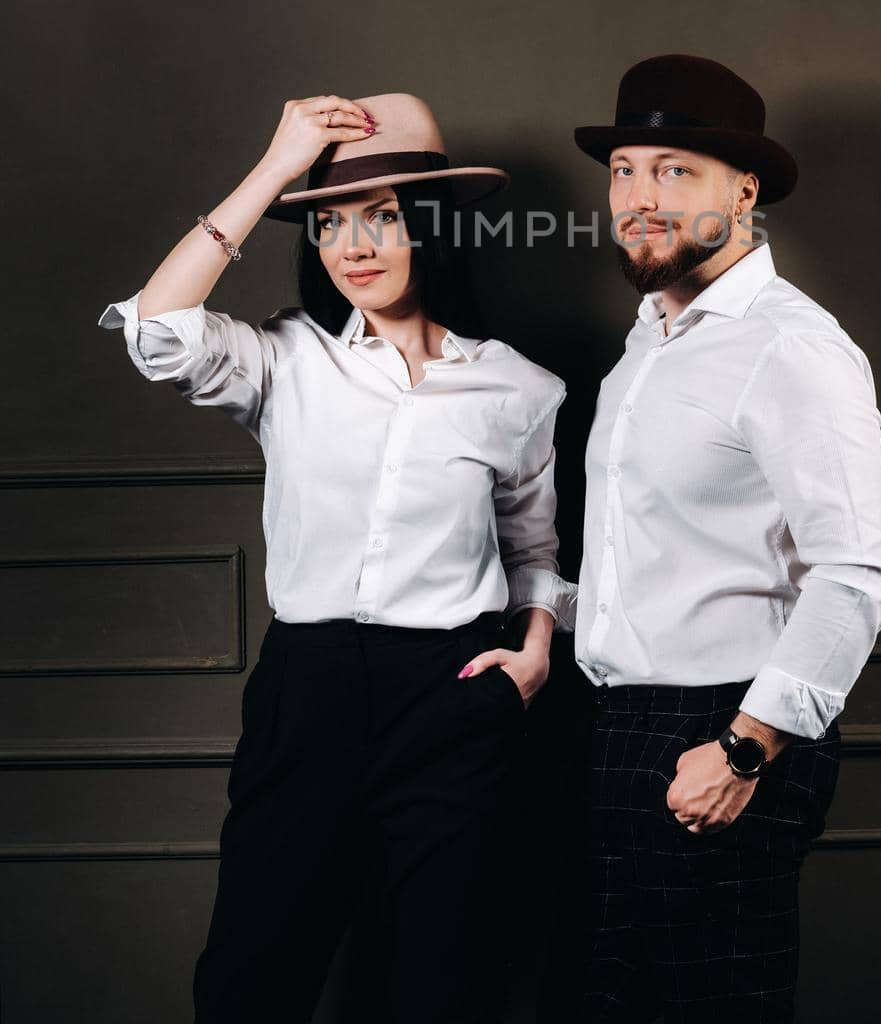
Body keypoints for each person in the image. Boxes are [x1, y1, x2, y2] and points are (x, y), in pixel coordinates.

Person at [98, 91, 578, 1024]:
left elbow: (533, 548)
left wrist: (535, 651)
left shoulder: (519, 390)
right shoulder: (286, 359)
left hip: (454, 690)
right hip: (307, 688)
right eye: (328, 222)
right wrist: (277, 165)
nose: (352, 246)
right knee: (251, 974)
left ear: (432, 227)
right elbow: (157, 333)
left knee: (443, 984)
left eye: (383, 218)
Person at [570, 53, 881, 1023]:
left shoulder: (788, 346)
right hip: (618, 729)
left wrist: (745, 746)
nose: (638, 196)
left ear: (741, 190)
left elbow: (856, 571)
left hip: (723, 726)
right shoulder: (650, 338)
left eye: (672, 170)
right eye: (624, 169)